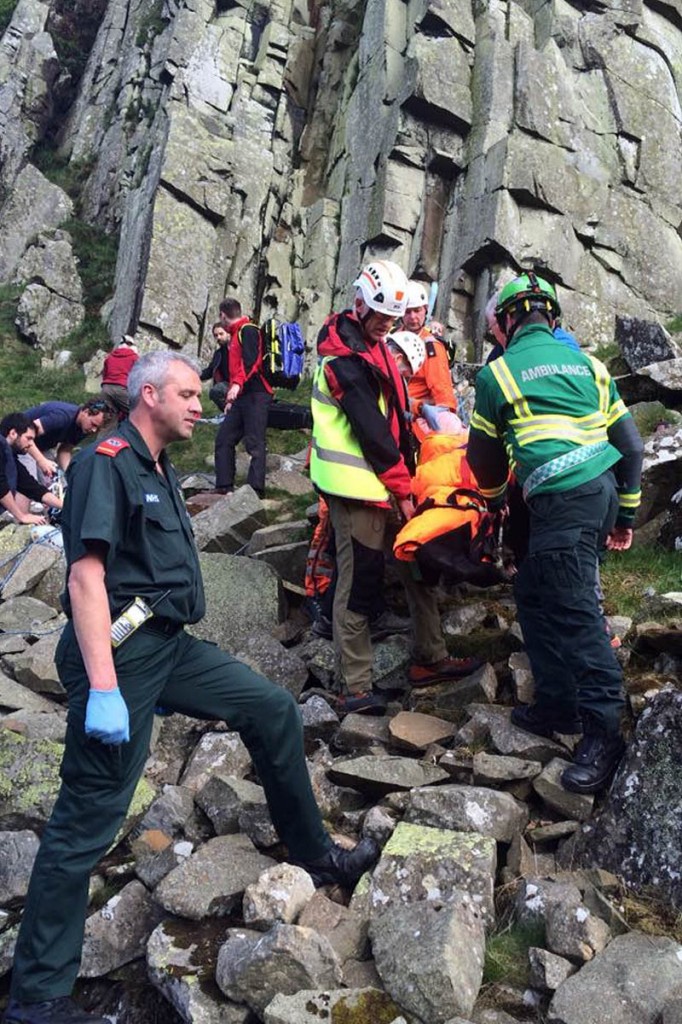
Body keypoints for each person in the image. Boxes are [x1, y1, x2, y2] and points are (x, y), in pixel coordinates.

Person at [4, 351, 378, 1024]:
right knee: (87, 818)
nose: (199, 405)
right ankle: (37, 995)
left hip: (169, 644)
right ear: (148, 395)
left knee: (272, 709)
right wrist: (104, 687)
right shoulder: (105, 463)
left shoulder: (155, 465)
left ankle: (315, 853)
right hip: (119, 654)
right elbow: (85, 578)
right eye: (185, 394)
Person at [467, 272, 643, 794]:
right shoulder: (590, 366)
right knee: (534, 591)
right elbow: (632, 446)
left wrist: (495, 504)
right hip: (599, 491)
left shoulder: (498, 375)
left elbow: (483, 460)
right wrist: (626, 516)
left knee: (575, 613)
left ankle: (604, 734)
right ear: (552, 317)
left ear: (505, 323)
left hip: (562, 499)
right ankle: (556, 705)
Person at [309, 260, 480, 716]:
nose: (388, 325)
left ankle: (431, 656)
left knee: (416, 562)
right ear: (360, 304)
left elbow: (393, 421)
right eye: (382, 317)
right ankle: (355, 687)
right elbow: (373, 433)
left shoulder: (374, 348)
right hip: (356, 489)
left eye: (393, 318)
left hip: (385, 484)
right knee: (359, 581)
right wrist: (403, 491)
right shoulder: (343, 361)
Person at [213, 299, 272, 497]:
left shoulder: (248, 330)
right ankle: (224, 486)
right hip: (241, 396)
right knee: (224, 439)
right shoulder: (236, 334)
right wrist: (231, 399)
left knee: (255, 442)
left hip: (256, 393)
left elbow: (251, 360)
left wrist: (237, 384)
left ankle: (255, 490)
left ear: (223, 315)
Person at [400, 280, 458, 432]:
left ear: (425, 310)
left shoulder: (431, 348)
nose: (413, 317)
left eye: (417, 310)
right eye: (407, 311)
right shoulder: (392, 340)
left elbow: (443, 393)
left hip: (415, 422)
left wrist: (446, 421)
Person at [20, 398, 113, 483]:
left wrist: (69, 473)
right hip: (19, 443)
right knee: (30, 482)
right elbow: (24, 435)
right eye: (93, 424)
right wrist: (41, 460)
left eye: (97, 428)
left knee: (57, 483)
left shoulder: (84, 427)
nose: (94, 430)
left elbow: (64, 451)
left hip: (41, 447)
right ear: (86, 412)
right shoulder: (62, 417)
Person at [0, 413, 63, 525]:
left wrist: (65, 506)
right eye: (28, 438)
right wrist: (21, 516)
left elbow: (32, 487)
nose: (31, 445)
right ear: (13, 433)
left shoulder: (10, 458)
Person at [101, 335, 139, 417]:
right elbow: (138, 377)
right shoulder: (134, 358)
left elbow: (104, 375)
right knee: (136, 414)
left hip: (106, 388)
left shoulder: (109, 357)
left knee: (108, 417)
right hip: (122, 388)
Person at [200, 321, 231, 412]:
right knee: (215, 391)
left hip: (241, 384)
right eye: (216, 335)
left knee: (217, 390)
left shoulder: (237, 349)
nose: (218, 337)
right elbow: (210, 371)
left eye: (221, 334)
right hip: (227, 385)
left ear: (228, 333)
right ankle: (230, 413)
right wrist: (194, 374)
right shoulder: (219, 353)